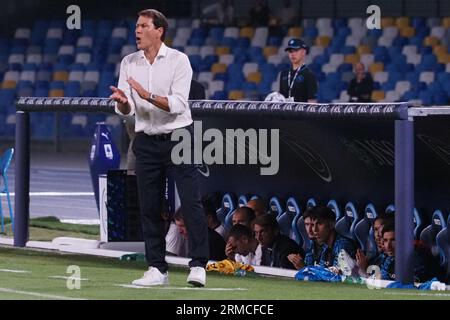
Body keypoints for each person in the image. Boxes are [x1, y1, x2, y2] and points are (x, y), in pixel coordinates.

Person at [110, 9, 209, 287]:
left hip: (179, 137)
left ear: (159, 30)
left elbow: (178, 104)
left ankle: (199, 265)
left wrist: (146, 95)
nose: (137, 31)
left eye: (143, 26)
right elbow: (127, 109)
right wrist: (122, 102)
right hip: (147, 140)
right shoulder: (129, 62)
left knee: (190, 202)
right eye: (136, 26)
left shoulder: (179, 61)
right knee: (150, 206)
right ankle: (156, 268)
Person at [123, 79, 205, 174]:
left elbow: (198, 120)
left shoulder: (195, 87)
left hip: (179, 146)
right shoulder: (147, 83)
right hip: (144, 144)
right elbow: (129, 118)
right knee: (133, 181)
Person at [279, 38, 318, 103]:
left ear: (303, 52)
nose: (292, 54)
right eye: (290, 51)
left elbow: (312, 103)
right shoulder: (284, 74)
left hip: (302, 112)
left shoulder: (309, 75)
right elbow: (281, 98)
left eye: (296, 50)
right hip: (285, 112)